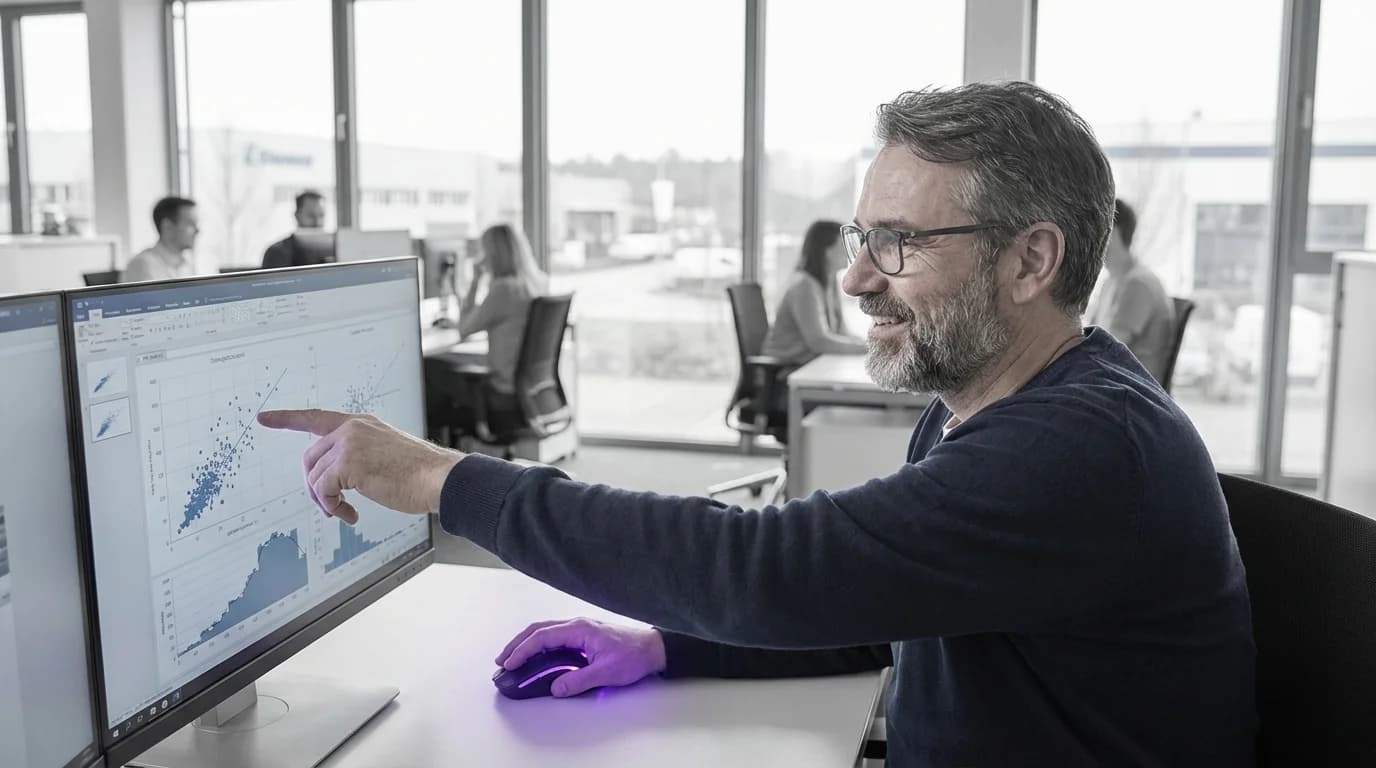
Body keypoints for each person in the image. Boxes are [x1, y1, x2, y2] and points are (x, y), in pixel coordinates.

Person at [259, 82, 1255, 767]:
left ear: (1030, 263)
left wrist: (443, 479)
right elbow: (869, 601)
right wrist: (664, 651)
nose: (857, 276)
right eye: (863, 238)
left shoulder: (1076, 448)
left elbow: (769, 570)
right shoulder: (982, 406)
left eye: (899, 244)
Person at [429, 224, 548, 436]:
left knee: (428, 367)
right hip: (527, 390)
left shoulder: (503, 289)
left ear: (493, 254)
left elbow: (465, 329)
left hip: (501, 392)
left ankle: (437, 454)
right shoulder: (535, 283)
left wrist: (475, 280)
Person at [1086, 199, 1176, 382]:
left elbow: (1106, 350)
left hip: (1131, 392)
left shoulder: (1139, 285)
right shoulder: (1109, 283)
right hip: (1114, 383)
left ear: (1113, 231)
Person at [763, 219, 868, 364]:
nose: (848, 250)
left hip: (813, 364)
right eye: (842, 244)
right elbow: (819, 342)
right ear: (826, 251)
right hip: (787, 369)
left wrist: (866, 344)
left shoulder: (829, 283)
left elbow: (841, 332)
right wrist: (864, 349)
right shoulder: (804, 286)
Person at [124, 197, 198, 283]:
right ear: (167, 226)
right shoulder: (141, 265)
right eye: (190, 223)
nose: (197, 230)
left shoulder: (188, 266)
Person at [262, 190, 333, 268]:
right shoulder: (276, 252)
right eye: (311, 215)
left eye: (321, 215)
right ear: (297, 216)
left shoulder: (335, 250)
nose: (317, 222)